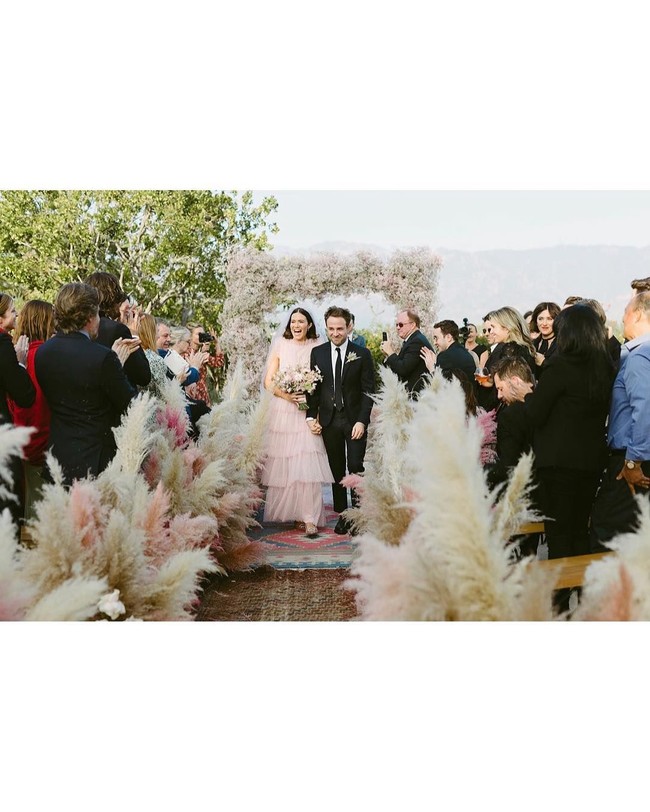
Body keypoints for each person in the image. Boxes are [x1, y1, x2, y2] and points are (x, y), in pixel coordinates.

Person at [510, 304, 616, 560]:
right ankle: (582, 583)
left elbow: (536, 413)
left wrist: (526, 395)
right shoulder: (605, 367)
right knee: (580, 530)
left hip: (558, 462)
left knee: (558, 534)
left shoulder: (560, 366)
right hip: (591, 460)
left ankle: (560, 586)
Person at [34, 283, 139, 485]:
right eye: (98, 313)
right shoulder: (103, 357)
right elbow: (130, 404)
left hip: (57, 461)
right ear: (90, 317)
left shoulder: (43, 352)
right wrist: (117, 365)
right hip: (95, 464)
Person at [260, 307, 334, 538]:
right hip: (284, 410)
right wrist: (287, 395)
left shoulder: (318, 345)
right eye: (293, 321)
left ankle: (310, 517)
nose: (296, 325)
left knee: (307, 461)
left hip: (308, 411)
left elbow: (324, 382)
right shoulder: (281, 344)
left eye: (301, 321)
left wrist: (310, 400)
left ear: (309, 324)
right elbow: (268, 382)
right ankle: (296, 513)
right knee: (288, 462)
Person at [307, 306, 375, 535]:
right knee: (336, 470)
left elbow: (368, 391)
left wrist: (362, 421)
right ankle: (343, 515)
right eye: (331, 329)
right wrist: (310, 415)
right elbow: (313, 388)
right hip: (329, 420)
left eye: (340, 329)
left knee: (355, 466)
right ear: (326, 327)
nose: (335, 333)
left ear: (349, 327)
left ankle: (358, 515)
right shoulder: (318, 353)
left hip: (354, 420)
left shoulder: (362, 354)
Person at [590, 291, 650, 550]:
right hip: (637, 456)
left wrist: (633, 461)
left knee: (605, 532)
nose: (622, 318)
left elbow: (645, 410)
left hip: (632, 460)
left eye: (625, 312)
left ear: (637, 314)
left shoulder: (640, 356)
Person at [6, 300, 54, 520]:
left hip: (18, 442)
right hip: (40, 443)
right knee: (38, 515)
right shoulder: (46, 356)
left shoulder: (16, 356)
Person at [0, 292, 36, 524]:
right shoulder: (3, 343)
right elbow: (24, 395)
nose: (17, 314)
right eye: (12, 311)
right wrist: (20, 363)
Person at [84, 271, 151, 390]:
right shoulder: (116, 330)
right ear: (113, 296)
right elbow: (143, 376)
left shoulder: (80, 325)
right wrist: (133, 334)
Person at [476, 306, 536, 411]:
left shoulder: (509, 349)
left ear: (506, 328)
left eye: (493, 327)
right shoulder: (522, 347)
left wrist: (487, 411)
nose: (491, 332)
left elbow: (505, 388)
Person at [380, 309, 433, 398]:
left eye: (401, 324)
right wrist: (387, 354)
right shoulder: (413, 340)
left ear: (412, 325)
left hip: (416, 397)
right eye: (396, 325)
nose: (398, 328)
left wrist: (390, 352)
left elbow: (403, 369)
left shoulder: (416, 341)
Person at [186, 324, 225, 407]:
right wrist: (202, 352)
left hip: (203, 394)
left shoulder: (202, 352)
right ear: (190, 336)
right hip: (191, 394)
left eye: (203, 334)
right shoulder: (186, 352)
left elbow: (219, 362)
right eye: (198, 334)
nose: (201, 336)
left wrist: (216, 343)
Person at [530, 301, 561, 370]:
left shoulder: (563, 344)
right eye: (540, 319)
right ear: (536, 321)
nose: (544, 323)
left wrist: (544, 363)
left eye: (549, 319)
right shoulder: (531, 345)